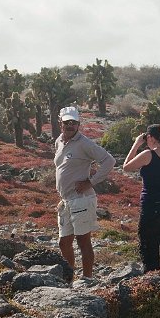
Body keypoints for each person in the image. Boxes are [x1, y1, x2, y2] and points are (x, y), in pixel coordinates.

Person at [54, 106, 115, 279]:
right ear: (60, 123)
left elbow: (109, 161)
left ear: (79, 124)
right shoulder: (59, 141)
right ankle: (69, 279)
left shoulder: (84, 143)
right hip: (65, 200)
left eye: (74, 123)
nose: (70, 126)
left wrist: (91, 182)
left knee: (83, 241)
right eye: (67, 122)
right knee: (64, 242)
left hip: (81, 199)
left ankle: (87, 279)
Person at [123, 124, 160, 272]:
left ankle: (153, 285)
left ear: (150, 137)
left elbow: (126, 167)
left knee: (149, 249)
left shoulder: (148, 155)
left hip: (151, 205)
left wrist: (137, 143)